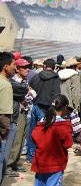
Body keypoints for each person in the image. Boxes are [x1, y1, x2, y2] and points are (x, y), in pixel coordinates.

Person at [31, 94, 73, 186]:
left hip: (41, 162)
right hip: (55, 164)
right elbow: (68, 144)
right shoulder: (64, 125)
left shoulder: (42, 122)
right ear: (65, 108)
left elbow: (34, 137)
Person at [27, 58, 60, 163]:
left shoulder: (36, 76)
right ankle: (43, 156)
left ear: (44, 66)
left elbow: (30, 89)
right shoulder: (55, 78)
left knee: (33, 131)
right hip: (49, 109)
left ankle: (31, 157)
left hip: (36, 105)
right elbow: (57, 95)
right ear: (54, 67)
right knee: (46, 133)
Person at [7, 56, 34, 175]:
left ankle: (15, 162)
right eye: (25, 67)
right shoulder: (14, 81)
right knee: (15, 140)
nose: (27, 69)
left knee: (22, 138)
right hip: (17, 113)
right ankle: (8, 165)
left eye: (28, 67)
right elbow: (25, 92)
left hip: (24, 111)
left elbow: (31, 93)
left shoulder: (23, 81)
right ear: (17, 69)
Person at [0, 52, 16, 183]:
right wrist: (4, 134)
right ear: (5, 66)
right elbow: (5, 116)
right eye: (13, 65)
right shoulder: (5, 85)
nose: (15, 68)